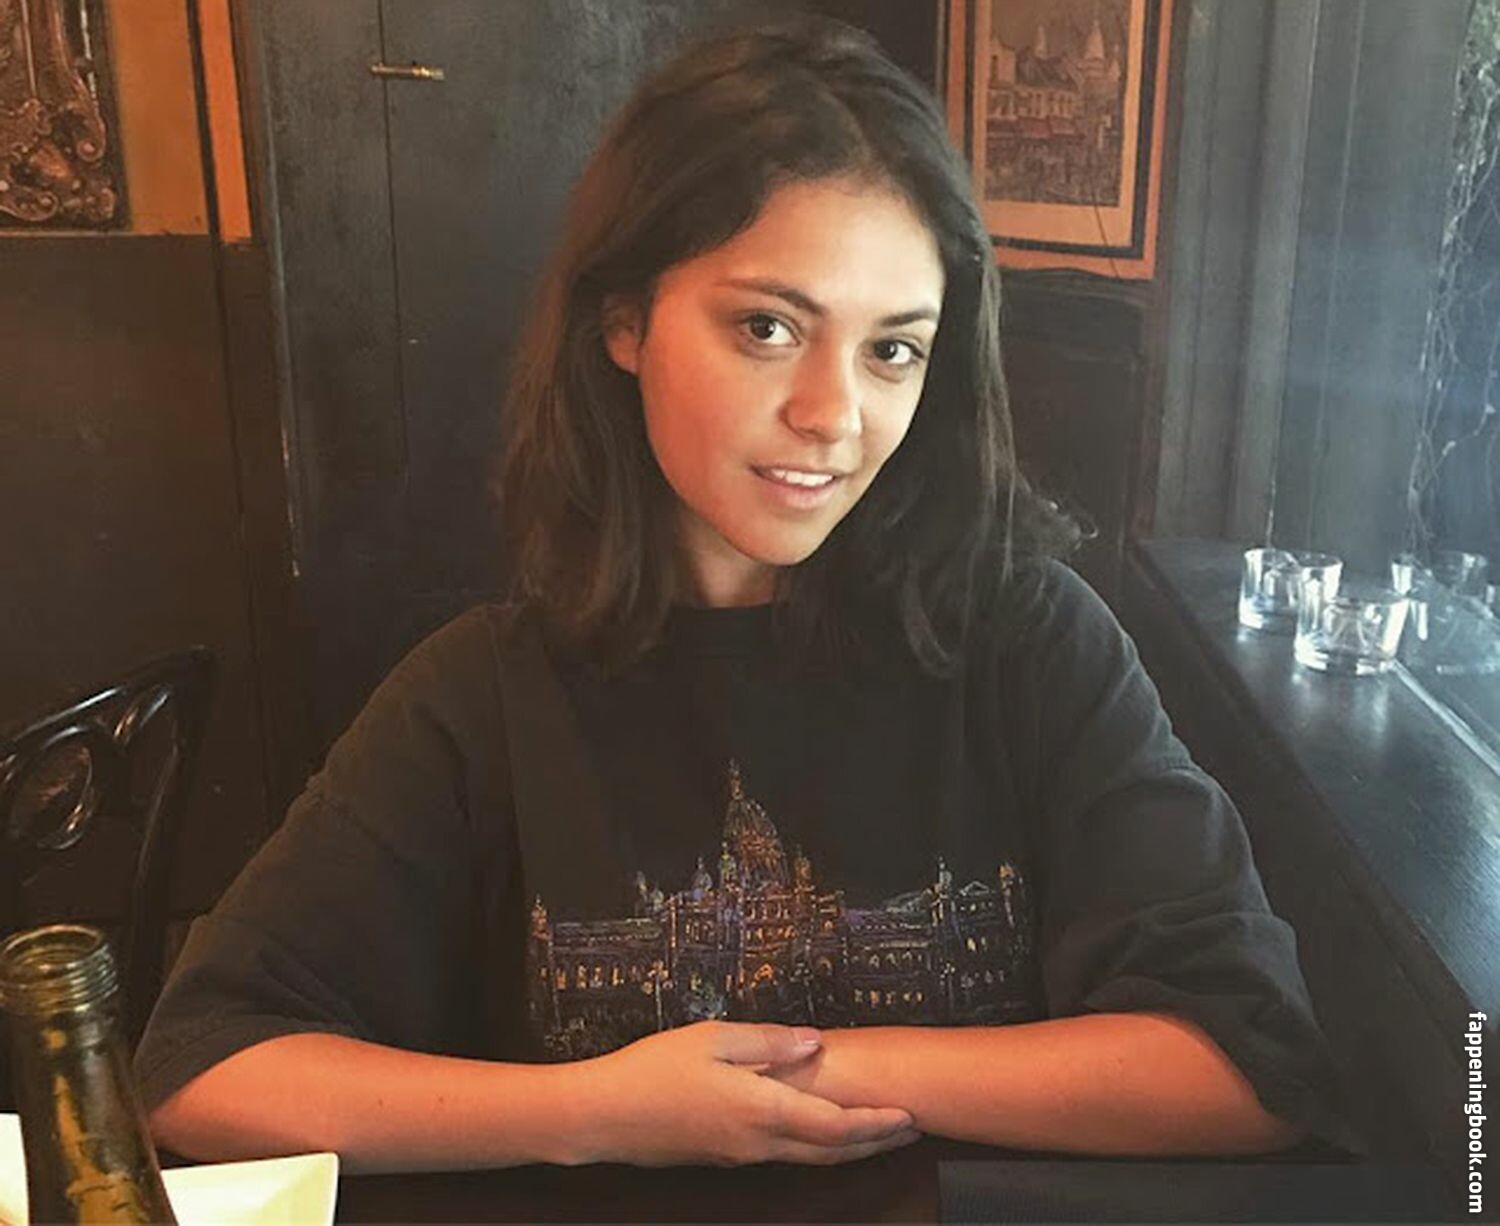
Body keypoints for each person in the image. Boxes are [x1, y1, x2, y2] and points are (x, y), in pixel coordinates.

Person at [137, 16, 1358, 1172]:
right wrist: (597, 1111)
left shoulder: (1030, 644)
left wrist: (816, 1071)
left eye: (893, 348)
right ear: (624, 320)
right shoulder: (483, 695)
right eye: (769, 327)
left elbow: (1245, 1066)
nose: (835, 413)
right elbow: (202, 1066)